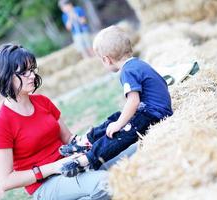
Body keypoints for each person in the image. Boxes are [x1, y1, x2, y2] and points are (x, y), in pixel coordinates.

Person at [0, 43, 111, 200]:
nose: (32, 75)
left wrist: (88, 139)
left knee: (129, 155)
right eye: (24, 72)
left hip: (74, 165)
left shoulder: (42, 101)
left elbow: (68, 138)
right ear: (6, 76)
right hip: (45, 185)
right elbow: (5, 181)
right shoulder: (1, 123)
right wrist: (54, 167)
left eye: (32, 69)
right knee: (106, 182)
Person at [59, 26, 173, 172]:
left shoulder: (127, 71)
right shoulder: (137, 63)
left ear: (107, 59)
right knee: (116, 117)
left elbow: (133, 101)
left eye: (101, 60)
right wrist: (118, 121)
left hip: (155, 115)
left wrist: (119, 124)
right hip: (150, 110)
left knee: (121, 132)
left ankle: (88, 159)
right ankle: (88, 140)